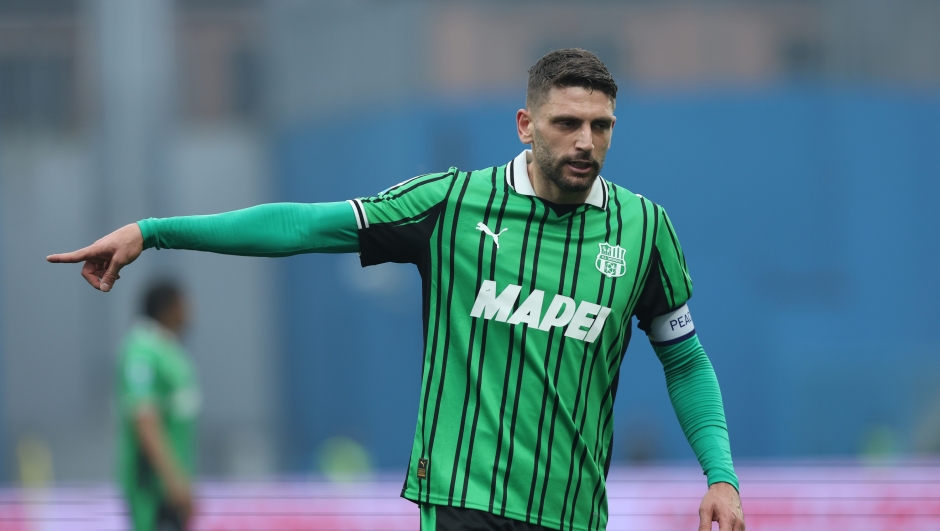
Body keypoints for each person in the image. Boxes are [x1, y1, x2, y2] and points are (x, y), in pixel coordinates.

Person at [49, 49, 744, 531]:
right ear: (526, 125)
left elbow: (684, 359)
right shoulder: (450, 205)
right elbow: (303, 225)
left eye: (601, 126)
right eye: (567, 123)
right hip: (464, 501)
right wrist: (153, 231)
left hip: (574, 512)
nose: (586, 141)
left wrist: (720, 475)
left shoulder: (644, 229)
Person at [117, 280, 199, 531]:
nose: (192, 311)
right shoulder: (142, 352)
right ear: (170, 308)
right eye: (185, 303)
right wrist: (173, 480)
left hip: (167, 483)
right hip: (152, 485)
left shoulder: (167, 349)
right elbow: (145, 419)